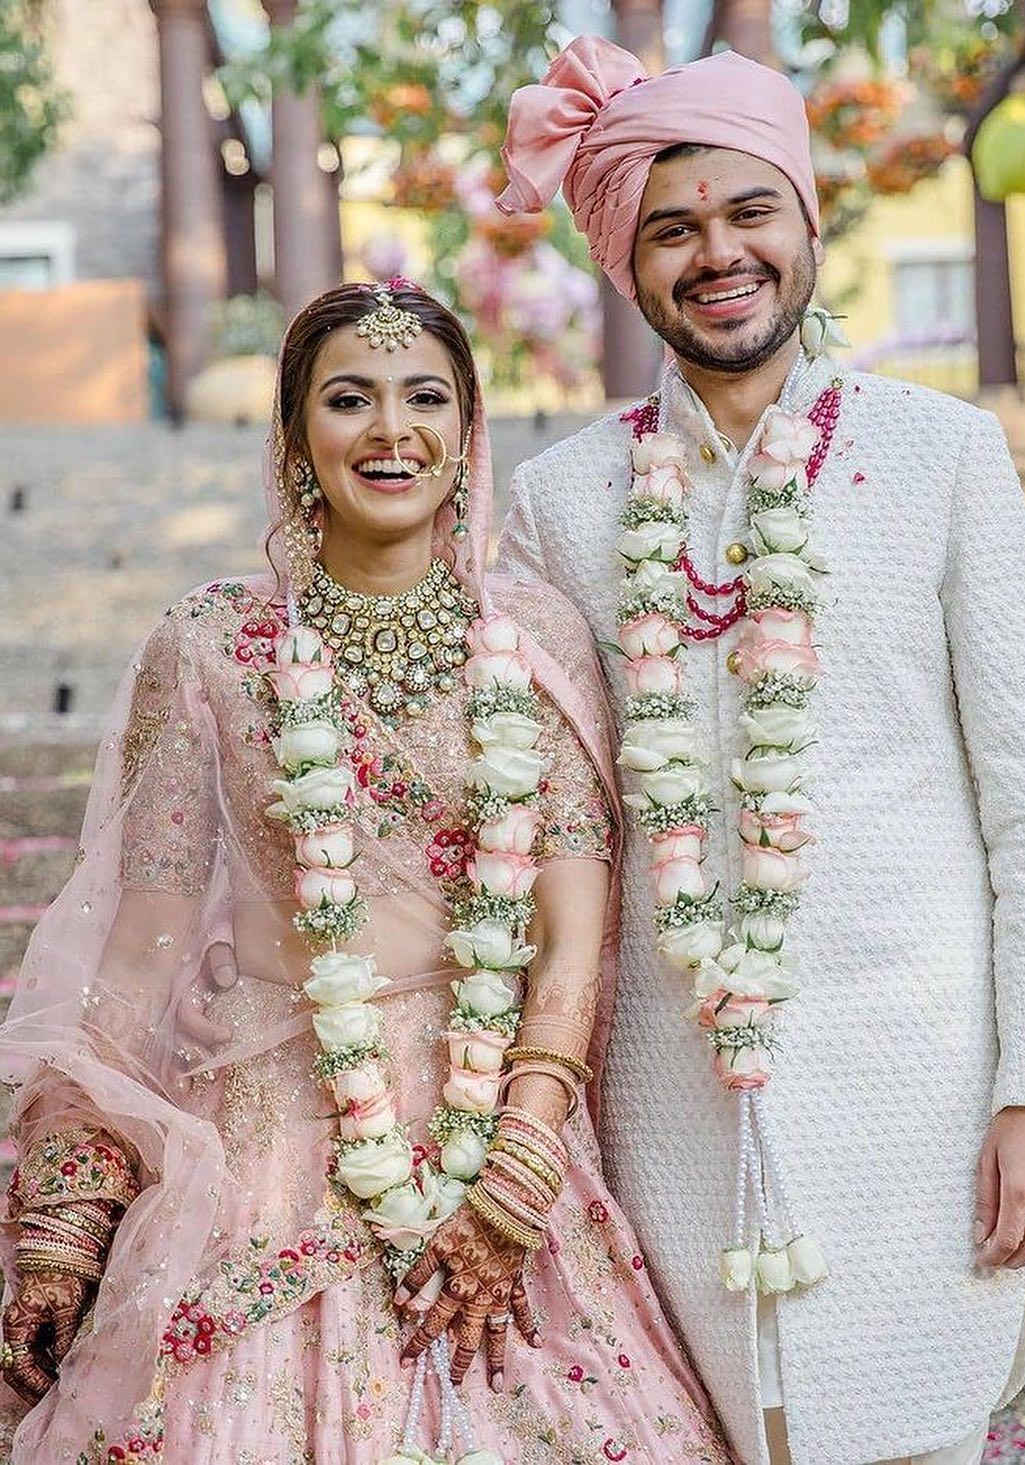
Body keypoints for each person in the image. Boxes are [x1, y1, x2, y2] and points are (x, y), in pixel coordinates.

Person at [493, 37, 1025, 1465]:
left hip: (920, 1093)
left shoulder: (943, 454)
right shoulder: (560, 500)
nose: (719, 253)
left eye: (749, 210)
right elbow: (535, 820)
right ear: (627, 266)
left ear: (807, 222)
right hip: (664, 1107)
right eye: (672, 228)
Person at [0, 279, 733, 1465]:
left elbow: (569, 934)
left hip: (491, 1118)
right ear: (295, 436)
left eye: (424, 398)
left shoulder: (536, 640)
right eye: (349, 399)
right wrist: (70, 1214)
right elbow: (136, 951)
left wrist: (522, 1161)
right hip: (264, 1125)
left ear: (467, 428)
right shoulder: (210, 642)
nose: (391, 430)